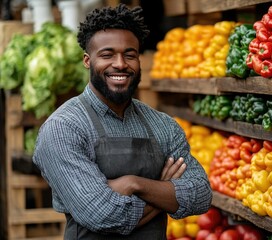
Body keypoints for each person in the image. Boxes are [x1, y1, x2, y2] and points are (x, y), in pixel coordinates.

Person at [32, 3, 213, 239]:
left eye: (130, 55)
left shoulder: (163, 125)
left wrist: (134, 183)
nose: (120, 64)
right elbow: (102, 214)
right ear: (87, 61)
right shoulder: (64, 127)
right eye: (107, 54)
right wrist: (162, 189)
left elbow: (201, 195)